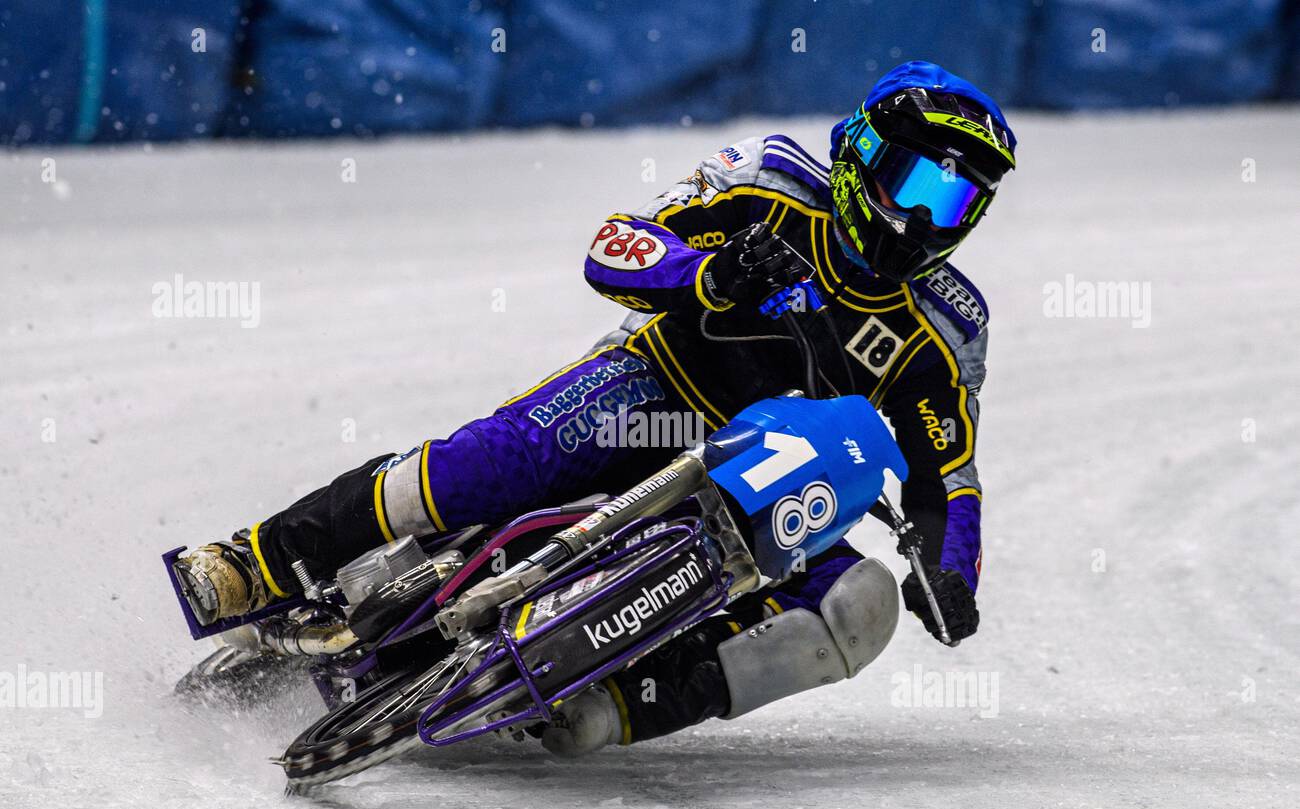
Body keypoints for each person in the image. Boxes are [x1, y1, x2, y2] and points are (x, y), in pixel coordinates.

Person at [173, 60, 1015, 755]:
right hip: (653, 393)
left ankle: (612, 704)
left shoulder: (945, 331)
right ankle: (258, 562)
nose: (920, 221)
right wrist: (705, 276)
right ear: (862, 153)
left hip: (776, 490)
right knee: (495, 462)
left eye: (953, 204)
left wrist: (949, 571)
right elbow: (617, 242)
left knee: (857, 608)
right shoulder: (770, 179)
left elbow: (950, 477)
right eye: (913, 184)